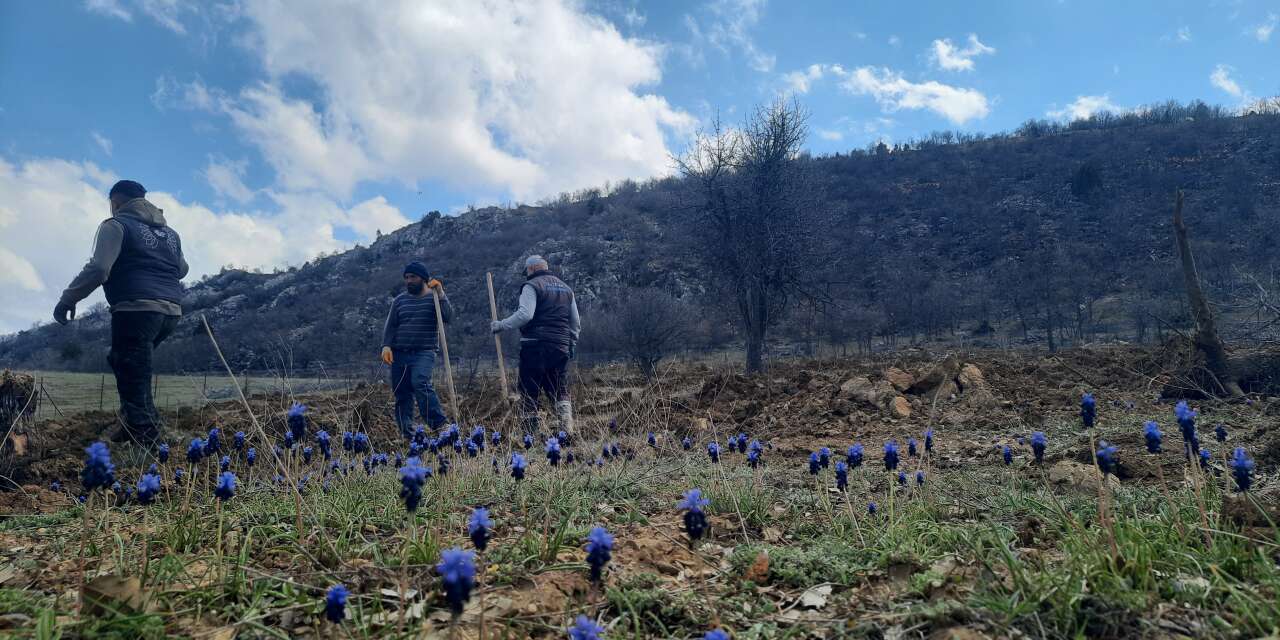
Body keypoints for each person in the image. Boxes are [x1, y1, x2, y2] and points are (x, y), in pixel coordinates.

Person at [54, 180, 188, 445]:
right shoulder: (170, 233)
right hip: (170, 312)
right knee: (125, 362)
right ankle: (134, 422)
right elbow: (182, 269)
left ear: (115, 201)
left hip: (136, 308)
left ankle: (145, 435)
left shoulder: (115, 225)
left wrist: (68, 298)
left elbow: (99, 269)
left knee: (131, 365)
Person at [492, 255, 581, 434]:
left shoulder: (531, 285)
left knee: (529, 389)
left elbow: (525, 314)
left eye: (527, 272)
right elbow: (576, 323)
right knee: (559, 389)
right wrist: (571, 343)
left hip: (535, 344)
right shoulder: (566, 289)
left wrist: (501, 325)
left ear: (531, 269)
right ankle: (567, 429)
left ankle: (530, 435)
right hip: (561, 345)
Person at [382, 261, 453, 437]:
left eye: (412, 277)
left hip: (424, 351)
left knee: (421, 383)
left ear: (423, 278)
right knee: (402, 392)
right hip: (399, 353)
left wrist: (441, 294)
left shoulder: (434, 298)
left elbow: (448, 317)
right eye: (406, 278)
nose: (408, 281)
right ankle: (408, 433)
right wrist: (386, 345)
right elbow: (391, 325)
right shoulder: (399, 301)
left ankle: (440, 425)